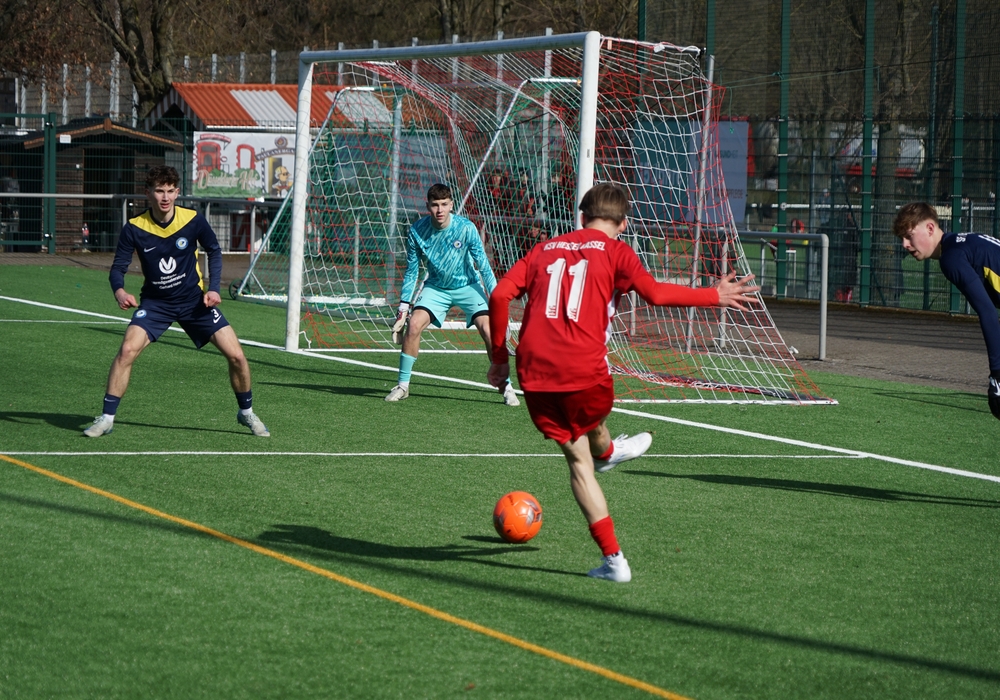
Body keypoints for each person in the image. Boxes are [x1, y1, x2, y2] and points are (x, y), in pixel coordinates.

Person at [486, 183, 759, 582]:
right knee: (588, 421)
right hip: (586, 372)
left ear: (581, 217)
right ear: (624, 223)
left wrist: (498, 361)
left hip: (535, 372)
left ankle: (615, 558)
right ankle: (610, 459)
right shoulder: (617, 252)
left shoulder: (542, 249)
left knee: (578, 461)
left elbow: (498, 296)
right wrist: (712, 295)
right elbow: (656, 294)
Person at [83, 165, 269, 438]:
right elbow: (118, 268)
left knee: (237, 356)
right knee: (127, 351)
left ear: (177, 192)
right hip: (156, 304)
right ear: (148, 193)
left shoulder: (192, 219)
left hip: (195, 303)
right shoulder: (134, 227)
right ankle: (107, 418)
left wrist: (213, 288)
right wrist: (119, 292)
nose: (165, 197)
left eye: (170, 191)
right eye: (159, 191)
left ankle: (246, 412)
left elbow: (214, 250)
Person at [387, 183, 519, 406]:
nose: (440, 210)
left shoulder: (466, 228)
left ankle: (506, 386)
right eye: (435, 205)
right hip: (436, 288)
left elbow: (484, 267)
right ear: (427, 206)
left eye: (444, 204)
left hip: (468, 286)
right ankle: (402, 385)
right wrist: (403, 308)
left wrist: (499, 305)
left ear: (451, 205)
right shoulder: (417, 231)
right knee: (414, 325)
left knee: (489, 330)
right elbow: (411, 271)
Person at [893, 202, 1000, 420]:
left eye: (909, 236)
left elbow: (988, 313)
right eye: (902, 238)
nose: (905, 244)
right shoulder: (963, 243)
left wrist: (997, 375)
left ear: (930, 228)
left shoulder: (952, 258)